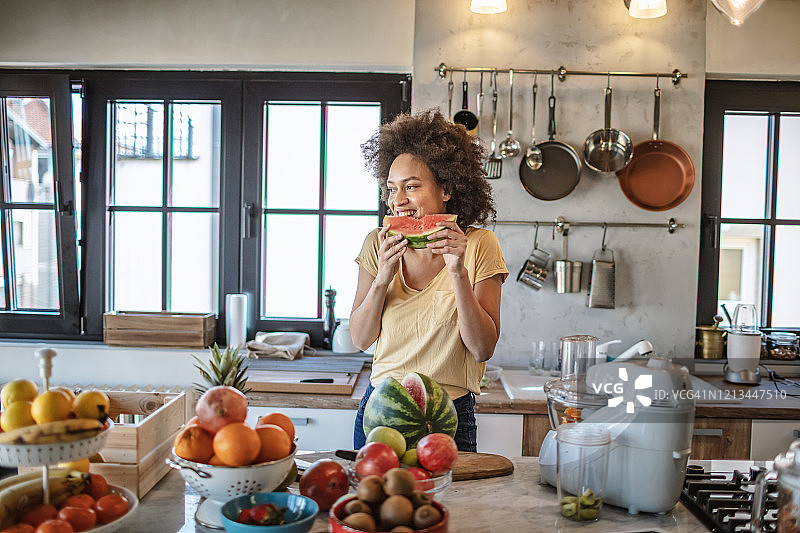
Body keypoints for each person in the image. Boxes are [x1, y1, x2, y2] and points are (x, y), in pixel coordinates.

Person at [349, 109, 508, 452]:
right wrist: (383, 279)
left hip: (448, 414)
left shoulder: (480, 245)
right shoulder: (377, 245)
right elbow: (361, 339)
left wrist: (457, 272)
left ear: (447, 188)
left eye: (412, 187)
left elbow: (482, 349)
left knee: (451, 507)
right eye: (391, 189)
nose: (397, 201)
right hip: (381, 412)